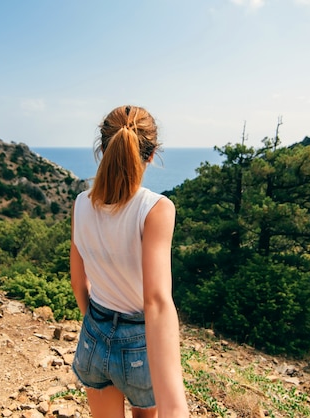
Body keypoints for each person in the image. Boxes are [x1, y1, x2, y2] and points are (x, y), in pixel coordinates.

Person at [70, 105, 190, 418]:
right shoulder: (156, 210)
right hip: (140, 340)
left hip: (93, 331)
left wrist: (97, 324)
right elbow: (157, 301)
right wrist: (176, 407)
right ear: (151, 155)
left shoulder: (81, 203)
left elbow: (77, 280)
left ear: (102, 149)